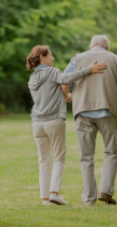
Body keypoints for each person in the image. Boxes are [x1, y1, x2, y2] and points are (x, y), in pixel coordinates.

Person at [27, 45, 107, 205]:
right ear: (42, 57)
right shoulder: (52, 72)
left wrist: (63, 96)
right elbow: (67, 79)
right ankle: (54, 192)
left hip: (37, 122)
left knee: (43, 161)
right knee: (59, 158)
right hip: (54, 120)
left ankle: (45, 198)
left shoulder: (33, 78)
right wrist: (89, 70)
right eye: (50, 55)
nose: (53, 58)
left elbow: (46, 96)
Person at [64, 35, 117, 205]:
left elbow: (65, 81)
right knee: (112, 152)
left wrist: (68, 95)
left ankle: (89, 199)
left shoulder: (78, 58)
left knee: (86, 157)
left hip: (83, 111)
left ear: (91, 46)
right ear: (107, 48)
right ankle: (105, 191)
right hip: (108, 111)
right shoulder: (116, 59)